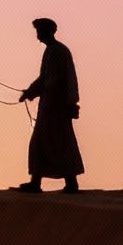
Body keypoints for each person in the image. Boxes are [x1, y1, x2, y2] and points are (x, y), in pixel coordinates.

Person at [17, 17, 83, 193]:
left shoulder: (56, 52)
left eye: (39, 31)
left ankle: (66, 183)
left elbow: (51, 81)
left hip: (55, 107)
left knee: (57, 143)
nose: (37, 36)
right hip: (51, 106)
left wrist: (32, 92)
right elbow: (46, 80)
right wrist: (30, 92)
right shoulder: (54, 51)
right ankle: (38, 181)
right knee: (45, 142)